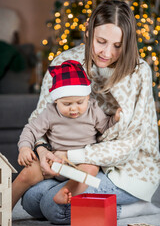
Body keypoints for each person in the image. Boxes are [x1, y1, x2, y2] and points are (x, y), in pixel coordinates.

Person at [18, 0, 160, 223]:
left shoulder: (138, 72)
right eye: (101, 41)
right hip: (70, 163)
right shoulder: (65, 62)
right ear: (88, 32)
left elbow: (131, 145)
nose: (107, 52)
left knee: (53, 207)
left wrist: (72, 155)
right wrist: (44, 151)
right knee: (31, 200)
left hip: (124, 169)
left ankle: (137, 208)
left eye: (117, 45)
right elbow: (42, 118)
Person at [12, 60, 121, 208]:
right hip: (54, 163)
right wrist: (24, 148)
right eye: (67, 104)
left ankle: (66, 192)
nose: (74, 109)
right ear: (56, 100)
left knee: (91, 168)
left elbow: (105, 128)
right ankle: (5, 206)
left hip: (81, 162)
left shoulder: (93, 109)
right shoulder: (50, 112)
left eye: (79, 102)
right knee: (27, 173)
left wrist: (115, 119)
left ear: (88, 97)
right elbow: (31, 129)